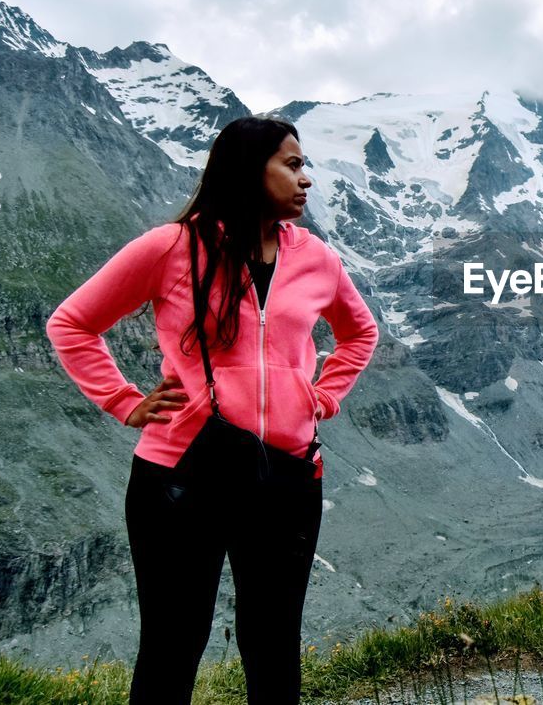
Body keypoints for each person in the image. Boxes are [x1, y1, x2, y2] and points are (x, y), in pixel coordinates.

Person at [46, 116, 379, 704]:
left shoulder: (316, 258)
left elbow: (360, 332)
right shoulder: (170, 247)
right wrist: (125, 401)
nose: (307, 179)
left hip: (287, 473)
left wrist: (322, 394)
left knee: (273, 642)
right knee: (174, 642)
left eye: (306, 166)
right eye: (293, 164)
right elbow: (72, 323)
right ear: (251, 168)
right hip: (179, 475)